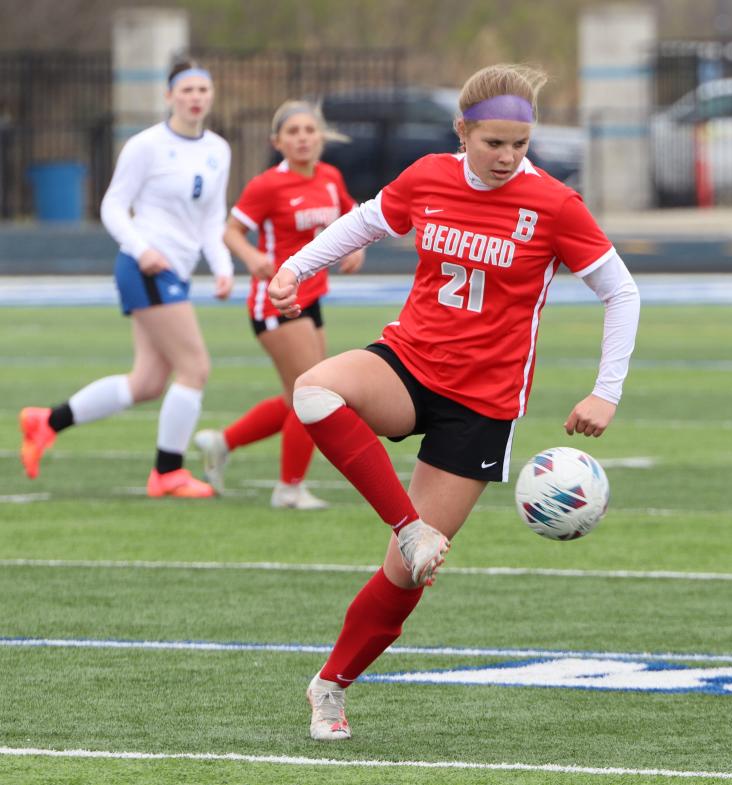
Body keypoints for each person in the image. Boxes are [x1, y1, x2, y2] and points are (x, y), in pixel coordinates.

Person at [265, 63, 640, 740]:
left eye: (519, 144)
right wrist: (297, 266)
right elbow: (364, 222)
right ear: (461, 130)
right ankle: (407, 523)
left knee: (407, 573)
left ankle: (329, 685)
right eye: (492, 142)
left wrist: (604, 390)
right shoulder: (428, 175)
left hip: (482, 405)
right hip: (408, 362)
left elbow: (622, 290)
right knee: (313, 389)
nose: (506, 157)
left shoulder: (554, 204)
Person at [19, 58, 233, 497]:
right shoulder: (146, 145)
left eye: (202, 90)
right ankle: (168, 473)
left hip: (176, 271)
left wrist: (224, 265)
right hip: (146, 268)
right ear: (169, 96)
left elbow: (212, 218)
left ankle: (47, 421)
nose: (195, 98)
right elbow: (113, 206)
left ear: (211, 96)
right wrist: (143, 249)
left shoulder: (218, 149)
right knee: (195, 367)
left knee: (147, 383)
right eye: (186, 90)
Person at [192, 101, 364, 509]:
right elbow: (231, 231)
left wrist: (356, 248)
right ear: (277, 141)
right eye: (293, 132)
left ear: (320, 136)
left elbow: (352, 214)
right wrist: (252, 259)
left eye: (309, 130)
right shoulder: (269, 184)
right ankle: (288, 488)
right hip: (276, 302)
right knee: (314, 390)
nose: (303, 138)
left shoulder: (329, 177)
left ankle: (222, 442)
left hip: (313, 297)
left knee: (295, 396)